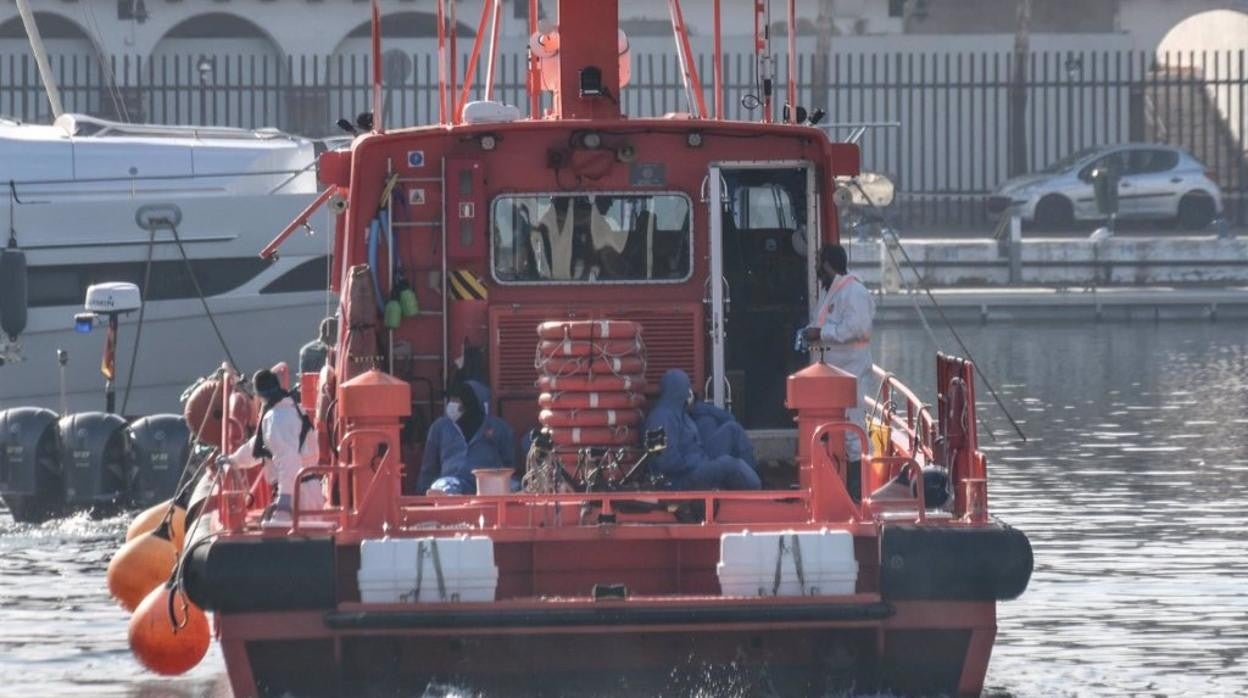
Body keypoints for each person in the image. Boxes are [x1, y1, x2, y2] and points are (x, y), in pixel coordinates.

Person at [801, 244, 876, 500]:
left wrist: (820, 334)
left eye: (819, 261)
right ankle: (840, 485)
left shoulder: (853, 291)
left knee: (854, 431)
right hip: (831, 374)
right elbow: (822, 323)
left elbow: (856, 328)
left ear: (828, 264)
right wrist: (808, 333)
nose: (816, 267)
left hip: (850, 373)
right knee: (836, 431)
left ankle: (859, 492)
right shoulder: (830, 293)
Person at [218, 369, 323, 526]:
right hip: (304, 490)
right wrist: (234, 460)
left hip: (298, 495)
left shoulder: (275, 418)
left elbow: (288, 460)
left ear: (259, 396)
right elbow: (258, 446)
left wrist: (284, 501)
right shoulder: (290, 409)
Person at [644, 369, 761, 491]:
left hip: (698, 462)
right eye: (686, 387)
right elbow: (663, 462)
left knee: (731, 429)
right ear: (678, 389)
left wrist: (692, 403)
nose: (689, 391)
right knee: (729, 464)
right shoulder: (658, 419)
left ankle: (755, 476)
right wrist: (697, 463)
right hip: (678, 480)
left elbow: (719, 414)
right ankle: (755, 492)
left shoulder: (680, 410)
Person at [417, 380, 515, 495]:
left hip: (489, 482)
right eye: (451, 399)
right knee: (442, 486)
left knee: (515, 486)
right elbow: (429, 466)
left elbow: (509, 461)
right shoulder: (440, 427)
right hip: (454, 483)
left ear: (470, 402)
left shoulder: (498, 427)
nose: (452, 404)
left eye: (457, 400)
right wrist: (421, 491)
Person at [690, 397, 756, 471]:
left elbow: (729, 417)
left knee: (709, 421)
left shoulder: (700, 411)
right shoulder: (683, 411)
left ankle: (750, 471)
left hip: (710, 457)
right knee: (733, 429)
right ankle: (753, 471)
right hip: (698, 460)